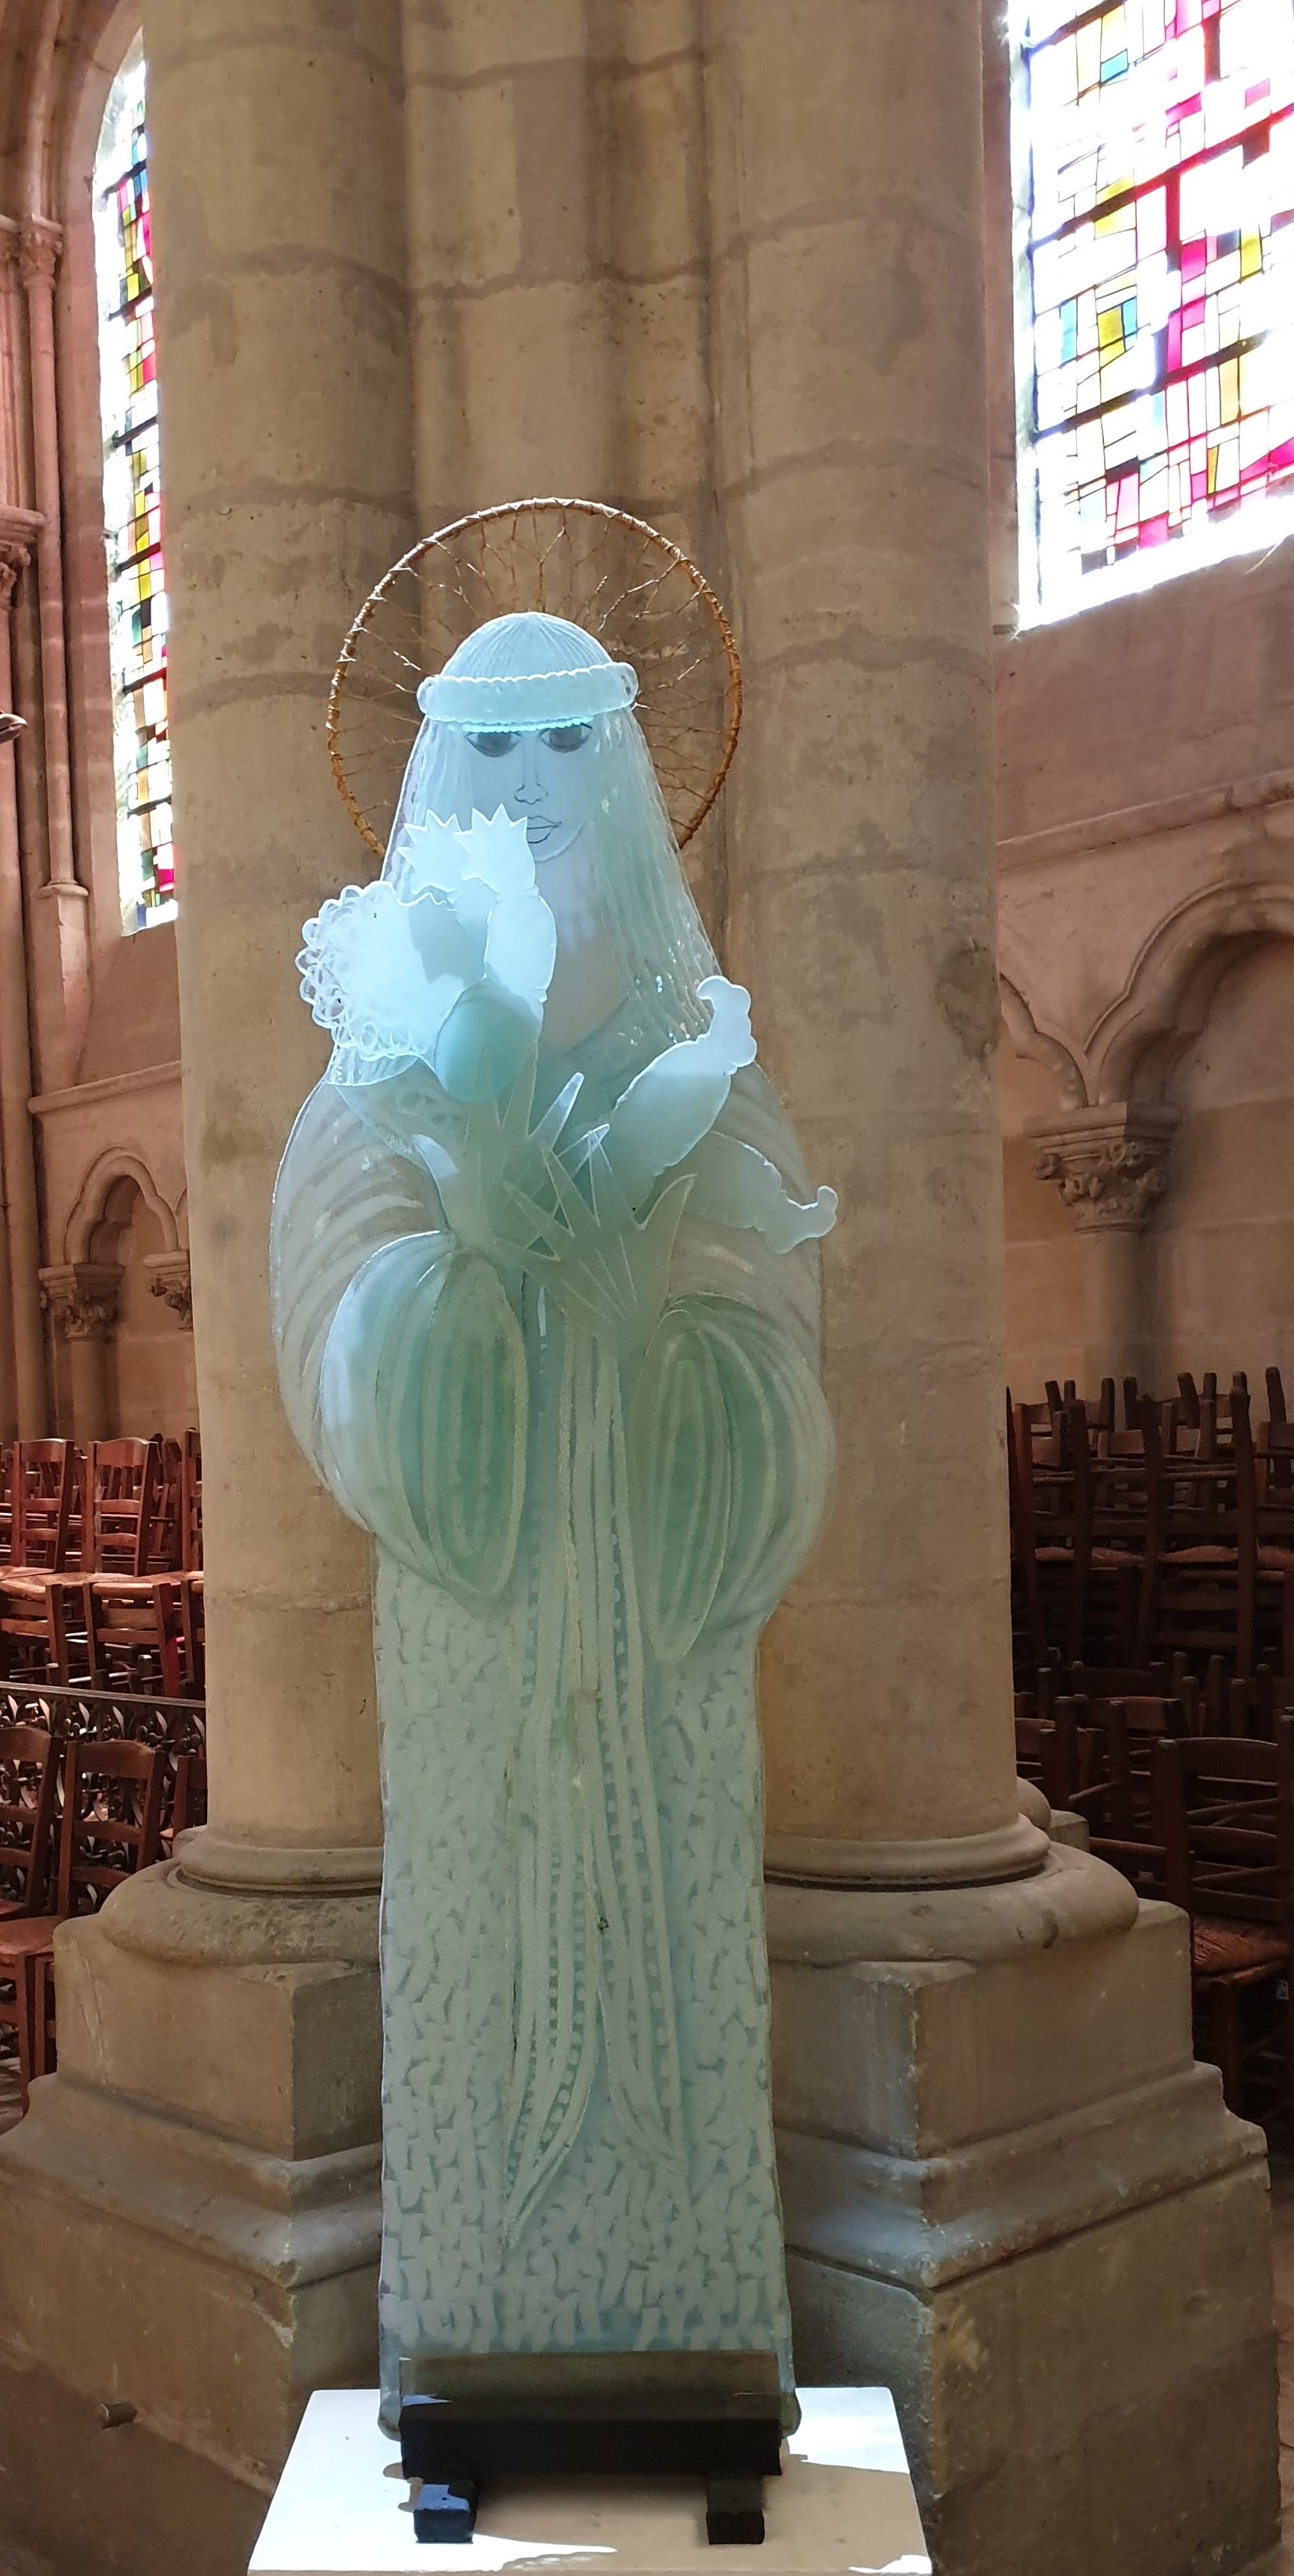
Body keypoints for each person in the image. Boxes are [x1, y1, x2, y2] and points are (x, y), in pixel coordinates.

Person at [272, 609, 835, 2423]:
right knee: (483, 1922)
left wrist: (649, 1334)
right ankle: (482, 2325)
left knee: (664, 1912)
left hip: (653, 1603)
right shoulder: (389, 1062)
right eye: (492, 753)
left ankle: (685, 2327)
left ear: (629, 778)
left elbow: (777, 1325)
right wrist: (460, 1264)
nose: (527, 792)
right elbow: (330, 1296)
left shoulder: (699, 1051)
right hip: (478, 1608)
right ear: (440, 776)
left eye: (568, 748)